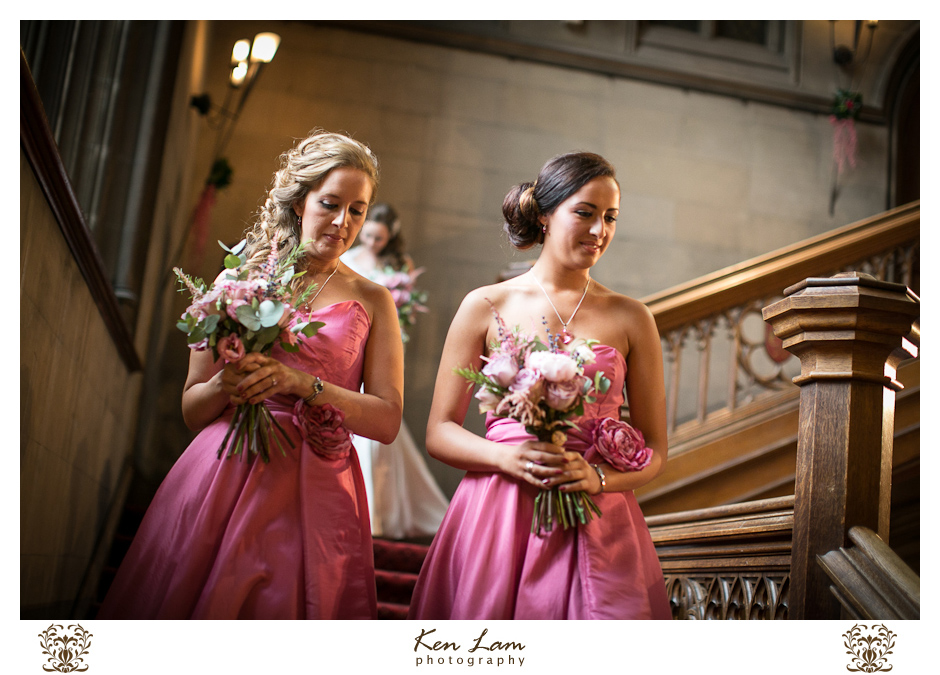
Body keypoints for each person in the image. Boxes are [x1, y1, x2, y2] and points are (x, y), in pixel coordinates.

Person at [98, 130, 404, 619]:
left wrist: (306, 386)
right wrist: (228, 382)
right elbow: (193, 408)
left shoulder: (373, 299)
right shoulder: (238, 281)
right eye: (330, 204)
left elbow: (387, 421)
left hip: (319, 489)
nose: (343, 222)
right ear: (301, 201)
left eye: (358, 210)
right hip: (227, 470)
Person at [407, 151, 672, 620]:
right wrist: (505, 456)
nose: (599, 231)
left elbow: (656, 449)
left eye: (610, 217)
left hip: (597, 518)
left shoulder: (632, 318)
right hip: (498, 511)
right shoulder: (485, 304)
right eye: (584, 213)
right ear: (545, 215)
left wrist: (600, 478)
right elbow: (439, 431)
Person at [341, 203, 450, 539]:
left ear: (390, 238)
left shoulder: (400, 266)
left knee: (376, 429)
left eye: (380, 238)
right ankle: (356, 507)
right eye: (369, 235)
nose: (372, 242)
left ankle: (373, 513)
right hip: (346, 344)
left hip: (382, 345)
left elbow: (405, 318)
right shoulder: (345, 259)